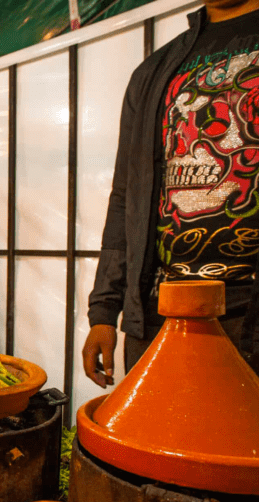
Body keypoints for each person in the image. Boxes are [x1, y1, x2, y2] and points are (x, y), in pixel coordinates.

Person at [83, 0, 259, 387]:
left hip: (248, 314)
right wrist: (104, 311)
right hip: (158, 309)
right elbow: (126, 197)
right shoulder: (155, 71)